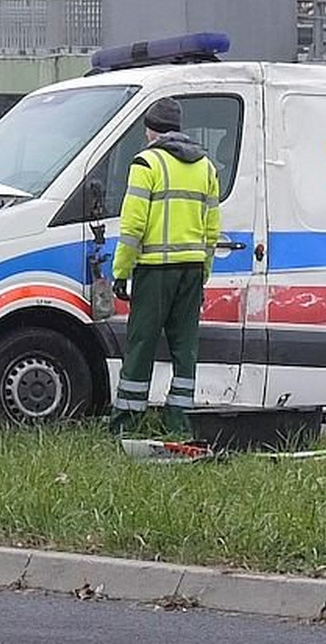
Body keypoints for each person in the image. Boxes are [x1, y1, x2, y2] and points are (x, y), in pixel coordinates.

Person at [109, 98, 221, 436]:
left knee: (141, 345)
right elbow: (212, 230)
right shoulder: (206, 167)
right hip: (191, 269)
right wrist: (204, 272)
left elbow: (132, 226)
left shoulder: (146, 163)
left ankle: (127, 423)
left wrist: (121, 271)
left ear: (150, 129)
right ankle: (180, 423)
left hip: (155, 270)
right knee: (185, 348)